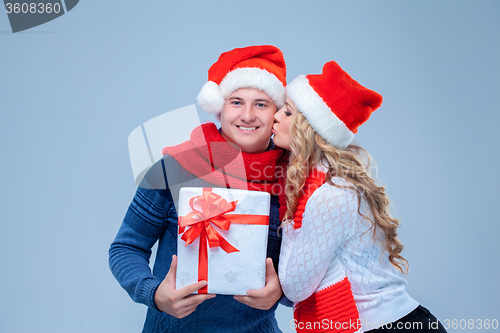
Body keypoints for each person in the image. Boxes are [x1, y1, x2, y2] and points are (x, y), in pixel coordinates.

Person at [109, 45, 292, 333]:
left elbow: (311, 270)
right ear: (219, 106)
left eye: (260, 104)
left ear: (277, 114)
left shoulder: (295, 181)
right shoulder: (172, 169)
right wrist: (154, 294)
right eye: (236, 102)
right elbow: (126, 247)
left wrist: (282, 291)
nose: (247, 115)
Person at [273, 60, 447, 332]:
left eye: (287, 112)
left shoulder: (330, 194)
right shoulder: (318, 183)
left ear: (311, 128)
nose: (276, 116)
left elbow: (295, 287)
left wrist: (288, 221)